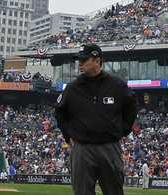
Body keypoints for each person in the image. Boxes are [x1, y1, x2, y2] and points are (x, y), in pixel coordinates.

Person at [54, 43, 138, 195]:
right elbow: (60, 112)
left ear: (97, 60)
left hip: (109, 147)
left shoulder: (116, 85)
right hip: (82, 148)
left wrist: (123, 130)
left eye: (84, 60)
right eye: (79, 60)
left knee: (114, 191)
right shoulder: (72, 88)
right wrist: (68, 136)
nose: (80, 64)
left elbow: (132, 106)